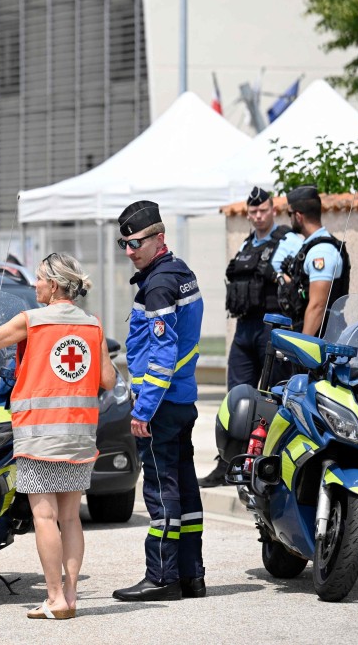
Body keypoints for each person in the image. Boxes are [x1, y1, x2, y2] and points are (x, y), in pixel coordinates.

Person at [0, 253, 115, 620]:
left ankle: (54, 597)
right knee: (70, 518)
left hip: (40, 435)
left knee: (45, 516)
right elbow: (108, 380)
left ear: (54, 285)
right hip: (79, 435)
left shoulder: (32, 321)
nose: (35, 285)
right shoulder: (92, 325)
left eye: (39, 279)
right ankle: (70, 597)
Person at [112, 201, 206, 602]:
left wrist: (143, 408)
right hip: (182, 400)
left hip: (161, 404)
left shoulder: (160, 285)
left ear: (159, 238)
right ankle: (191, 576)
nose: (130, 251)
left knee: (161, 489)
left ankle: (162, 577)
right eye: (124, 243)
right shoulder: (180, 273)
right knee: (184, 488)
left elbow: (162, 354)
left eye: (136, 242)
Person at [198, 187, 300, 487]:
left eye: (263, 210)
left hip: (273, 327)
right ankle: (228, 464)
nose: (258, 216)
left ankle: (273, 464)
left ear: (273, 210)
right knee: (236, 398)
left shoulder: (289, 241)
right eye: (253, 212)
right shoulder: (246, 244)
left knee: (275, 396)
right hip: (244, 328)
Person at [277, 185, 350, 337]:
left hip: (321, 338)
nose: (289, 219)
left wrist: (303, 348)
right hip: (313, 333)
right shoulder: (311, 246)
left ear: (298, 216)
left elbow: (318, 305)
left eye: (289, 214)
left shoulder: (321, 252)